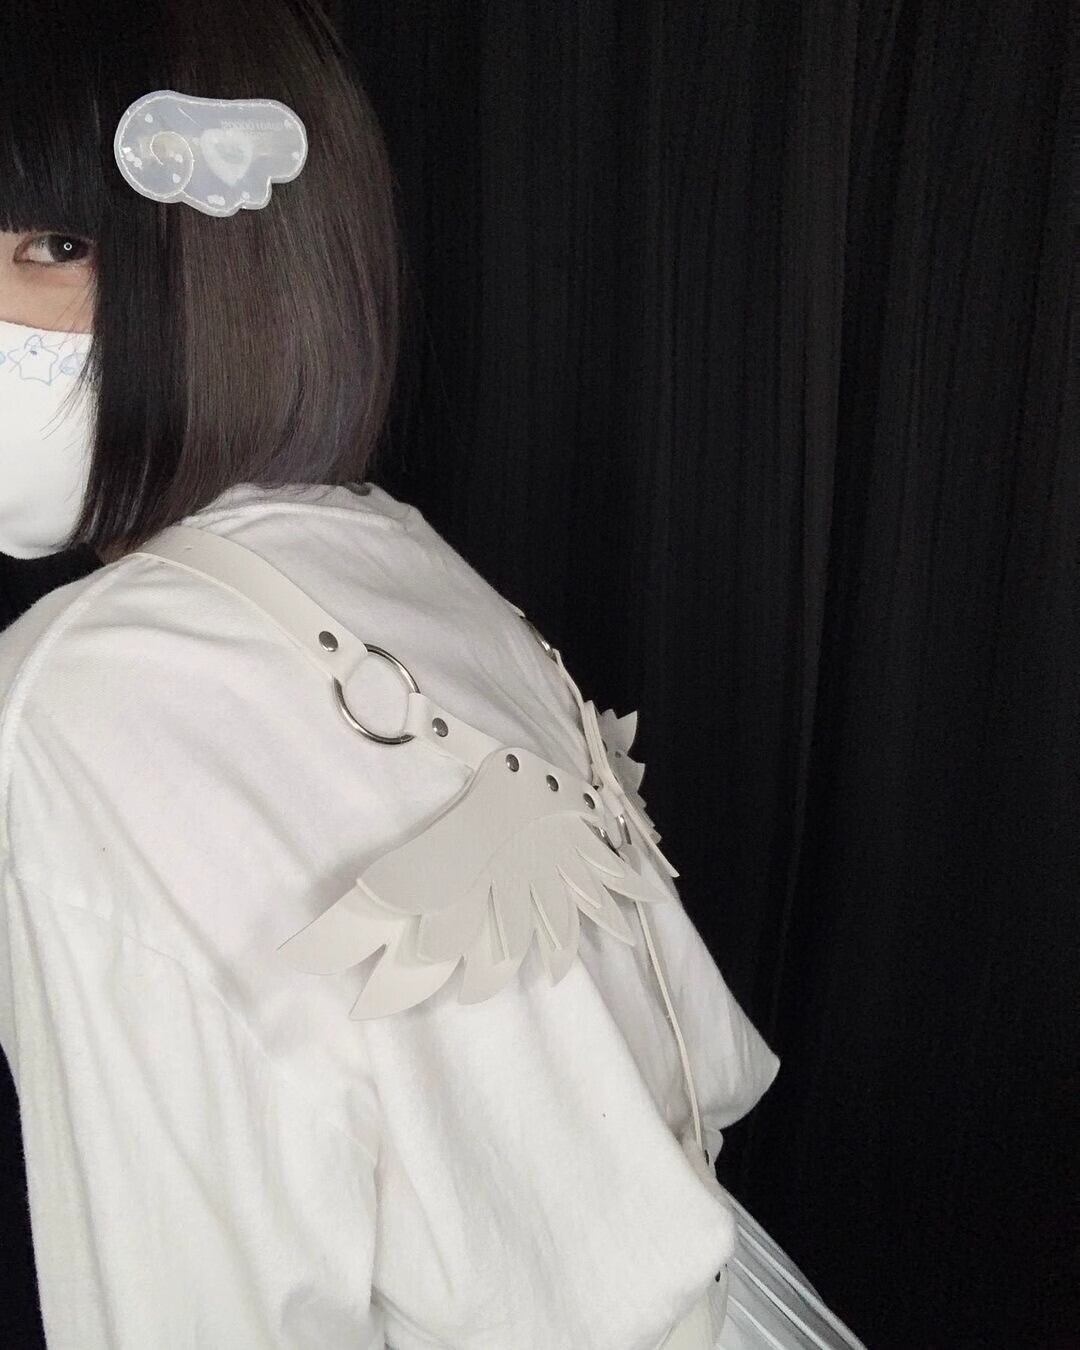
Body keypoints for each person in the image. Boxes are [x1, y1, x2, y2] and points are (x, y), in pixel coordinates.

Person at [0, 2, 868, 1347]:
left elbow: (191, 1303)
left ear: (228, 271)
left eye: (52, 247)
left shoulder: (78, 692)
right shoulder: (396, 554)